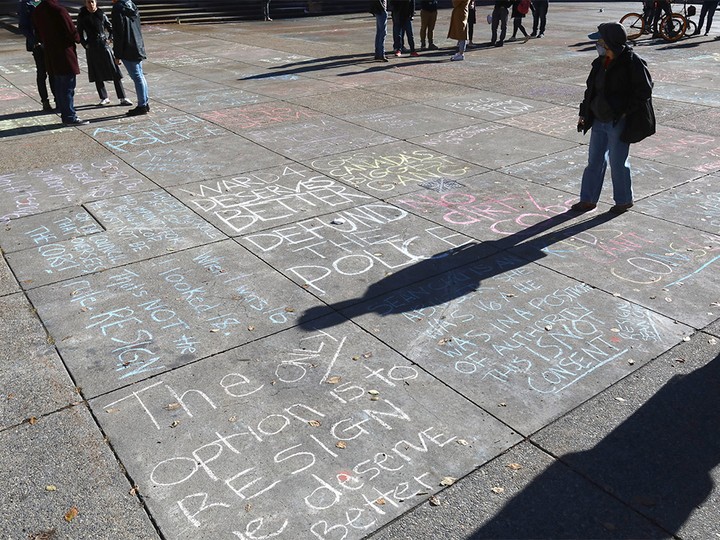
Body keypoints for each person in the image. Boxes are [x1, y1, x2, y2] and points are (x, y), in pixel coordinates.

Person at [573, 23, 654, 214]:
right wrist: (584, 113)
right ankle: (588, 200)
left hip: (618, 121)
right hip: (598, 119)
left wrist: (624, 112)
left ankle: (624, 200)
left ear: (609, 42)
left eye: (600, 41)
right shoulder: (600, 62)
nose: (598, 44)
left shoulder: (632, 62)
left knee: (618, 162)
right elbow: (591, 90)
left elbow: (644, 91)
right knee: (594, 160)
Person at [32, 0, 87, 125]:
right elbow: (71, 31)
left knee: (60, 86)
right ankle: (69, 116)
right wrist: (78, 38)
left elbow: (37, 32)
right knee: (67, 86)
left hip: (50, 53)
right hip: (64, 52)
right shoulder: (59, 10)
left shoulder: (38, 10)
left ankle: (65, 113)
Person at [77, 0, 132, 107]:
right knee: (97, 73)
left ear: (96, 2)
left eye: (92, 1)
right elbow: (79, 32)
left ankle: (122, 97)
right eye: (88, 2)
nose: (91, 4)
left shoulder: (101, 14)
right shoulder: (82, 16)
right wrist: (85, 45)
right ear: (86, 4)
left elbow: (111, 28)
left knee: (114, 71)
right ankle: (104, 97)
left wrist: (109, 39)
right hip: (92, 46)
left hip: (103, 45)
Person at [111, 0, 149, 116]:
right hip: (136, 45)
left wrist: (117, 54)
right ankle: (144, 102)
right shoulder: (131, 4)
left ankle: (142, 105)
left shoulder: (118, 8)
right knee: (140, 75)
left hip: (127, 48)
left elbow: (119, 32)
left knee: (137, 76)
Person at [18, 0, 55, 111]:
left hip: (50, 43)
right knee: (42, 73)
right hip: (38, 44)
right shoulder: (25, 4)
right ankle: (45, 101)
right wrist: (34, 41)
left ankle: (58, 98)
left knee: (53, 72)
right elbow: (23, 26)